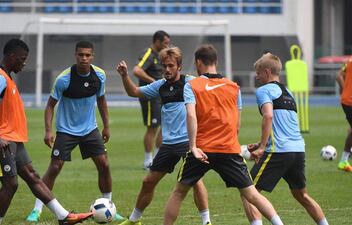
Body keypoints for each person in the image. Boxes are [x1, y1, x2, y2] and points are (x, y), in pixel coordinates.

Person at [163, 45, 284, 225]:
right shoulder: (234, 87)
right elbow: (237, 123)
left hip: (202, 150)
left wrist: (193, 147)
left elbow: (190, 115)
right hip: (229, 149)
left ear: (198, 62)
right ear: (216, 62)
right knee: (251, 194)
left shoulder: (192, 85)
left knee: (179, 192)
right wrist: (231, 144)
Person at [0, 39, 91, 225]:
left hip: (12, 139)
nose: (24, 62)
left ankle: (64, 217)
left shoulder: (6, 77)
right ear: (11, 57)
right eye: (22, 58)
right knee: (10, 184)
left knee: (32, 175)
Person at [26, 40, 123, 222]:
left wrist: (107, 126)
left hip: (90, 129)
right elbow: (50, 106)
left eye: (87, 55)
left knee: (104, 164)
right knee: (55, 167)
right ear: (75, 55)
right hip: (66, 130)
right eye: (80, 55)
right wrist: (48, 131)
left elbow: (101, 100)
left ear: (92, 56)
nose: (84, 58)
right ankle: (37, 209)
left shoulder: (99, 75)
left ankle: (109, 205)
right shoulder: (64, 79)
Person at [116, 47, 211, 225]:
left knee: (196, 181)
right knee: (148, 181)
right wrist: (124, 76)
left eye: (171, 66)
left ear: (179, 67)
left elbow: (211, 92)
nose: (167, 70)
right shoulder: (160, 86)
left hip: (188, 142)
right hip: (168, 145)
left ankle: (206, 221)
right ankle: (134, 220)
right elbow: (134, 92)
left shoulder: (191, 82)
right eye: (164, 66)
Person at [242, 53, 329, 225]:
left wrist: (262, 148)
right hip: (297, 150)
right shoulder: (288, 92)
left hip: (279, 151)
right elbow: (285, 125)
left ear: (267, 71)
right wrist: (261, 143)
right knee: (302, 195)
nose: (257, 77)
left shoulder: (264, 91)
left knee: (249, 192)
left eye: (258, 73)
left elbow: (268, 116)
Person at [133, 30, 171, 169]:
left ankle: (157, 158)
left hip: (161, 96)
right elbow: (137, 70)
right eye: (165, 43)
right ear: (157, 42)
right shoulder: (149, 53)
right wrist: (153, 82)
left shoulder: (162, 56)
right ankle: (147, 161)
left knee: (164, 126)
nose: (167, 46)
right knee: (152, 127)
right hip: (150, 96)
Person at [336, 59, 352, 172]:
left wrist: (344, 89)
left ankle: (344, 160)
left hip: (346, 100)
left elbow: (338, 75)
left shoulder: (349, 60)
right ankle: (344, 159)